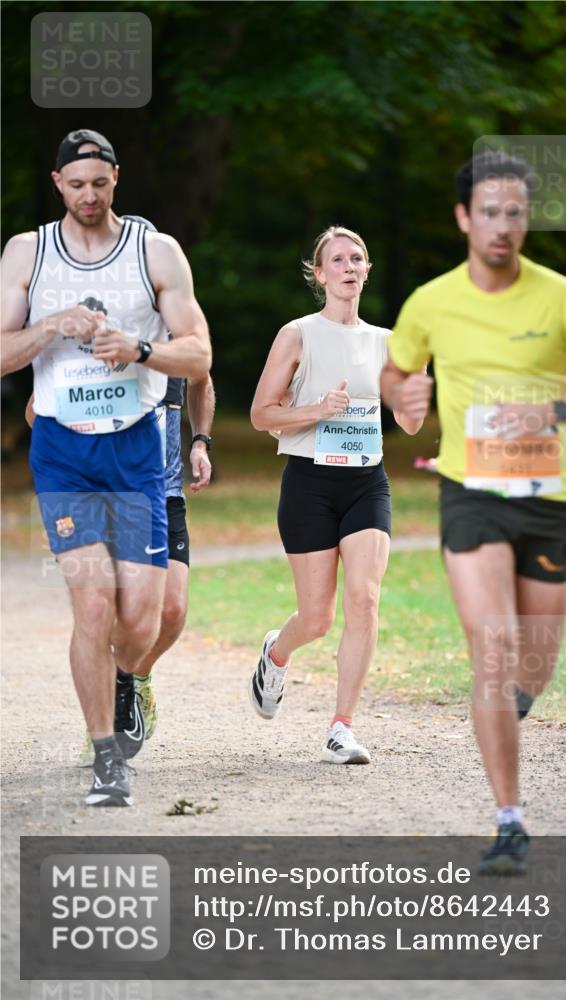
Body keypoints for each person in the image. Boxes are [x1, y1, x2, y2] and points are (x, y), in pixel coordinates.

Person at [381, 152, 566, 872]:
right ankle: (509, 820)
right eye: (488, 211)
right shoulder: (430, 301)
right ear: (464, 217)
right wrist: (403, 398)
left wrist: (552, 408)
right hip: (471, 492)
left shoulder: (560, 298)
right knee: (490, 648)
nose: (502, 225)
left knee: (534, 661)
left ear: (526, 220)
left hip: (548, 497)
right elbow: (394, 374)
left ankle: (511, 706)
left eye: (515, 212)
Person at [1, 129, 212, 807]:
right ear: (56, 183)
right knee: (92, 604)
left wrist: (142, 348)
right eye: (76, 184)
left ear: (116, 178)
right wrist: (50, 326)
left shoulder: (155, 250)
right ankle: (104, 758)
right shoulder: (28, 253)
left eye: (99, 182)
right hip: (64, 449)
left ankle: (130, 677)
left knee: (143, 619)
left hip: (136, 450)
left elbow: (200, 354)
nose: (88, 195)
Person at [248, 226, 425, 764]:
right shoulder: (297, 334)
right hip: (308, 482)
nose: (349, 266)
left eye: (358, 259)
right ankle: (276, 654)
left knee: (365, 599)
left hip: (367, 481)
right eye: (338, 260)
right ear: (320, 273)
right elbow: (261, 414)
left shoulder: (390, 343)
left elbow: (411, 425)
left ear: (366, 271)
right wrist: (317, 410)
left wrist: (418, 389)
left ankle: (341, 727)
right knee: (318, 618)